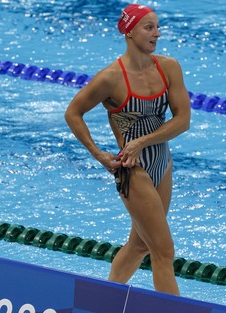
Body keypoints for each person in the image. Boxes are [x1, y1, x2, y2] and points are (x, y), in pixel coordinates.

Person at [64, 4, 190, 296]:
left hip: (162, 163)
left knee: (140, 245)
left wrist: (143, 141)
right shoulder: (111, 78)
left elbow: (183, 120)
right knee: (163, 251)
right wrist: (98, 154)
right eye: (149, 27)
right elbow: (73, 113)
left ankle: (106, 297)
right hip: (133, 172)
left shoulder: (168, 67)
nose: (156, 34)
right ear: (129, 32)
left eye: (157, 27)